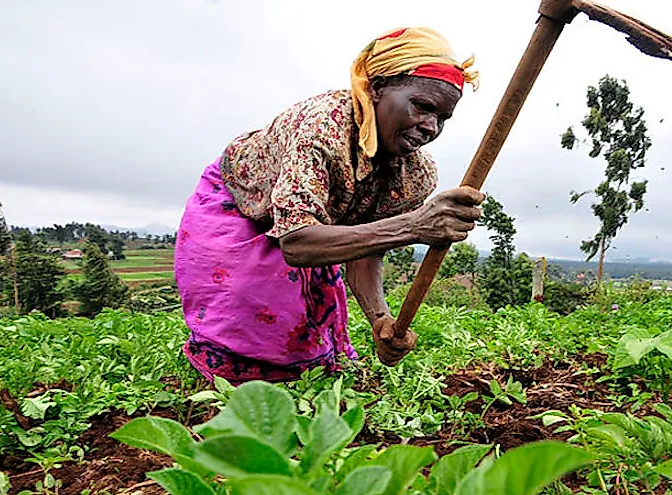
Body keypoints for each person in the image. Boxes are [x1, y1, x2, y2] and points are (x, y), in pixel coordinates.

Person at [174, 27, 485, 383]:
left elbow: (367, 249)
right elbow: (296, 242)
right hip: (242, 204)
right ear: (376, 87)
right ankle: (227, 392)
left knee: (308, 344)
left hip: (316, 224)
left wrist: (381, 319)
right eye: (422, 106)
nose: (431, 127)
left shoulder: (415, 174)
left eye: (443, 118)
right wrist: (415, 226)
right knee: (249, 310)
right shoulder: (323, 128)